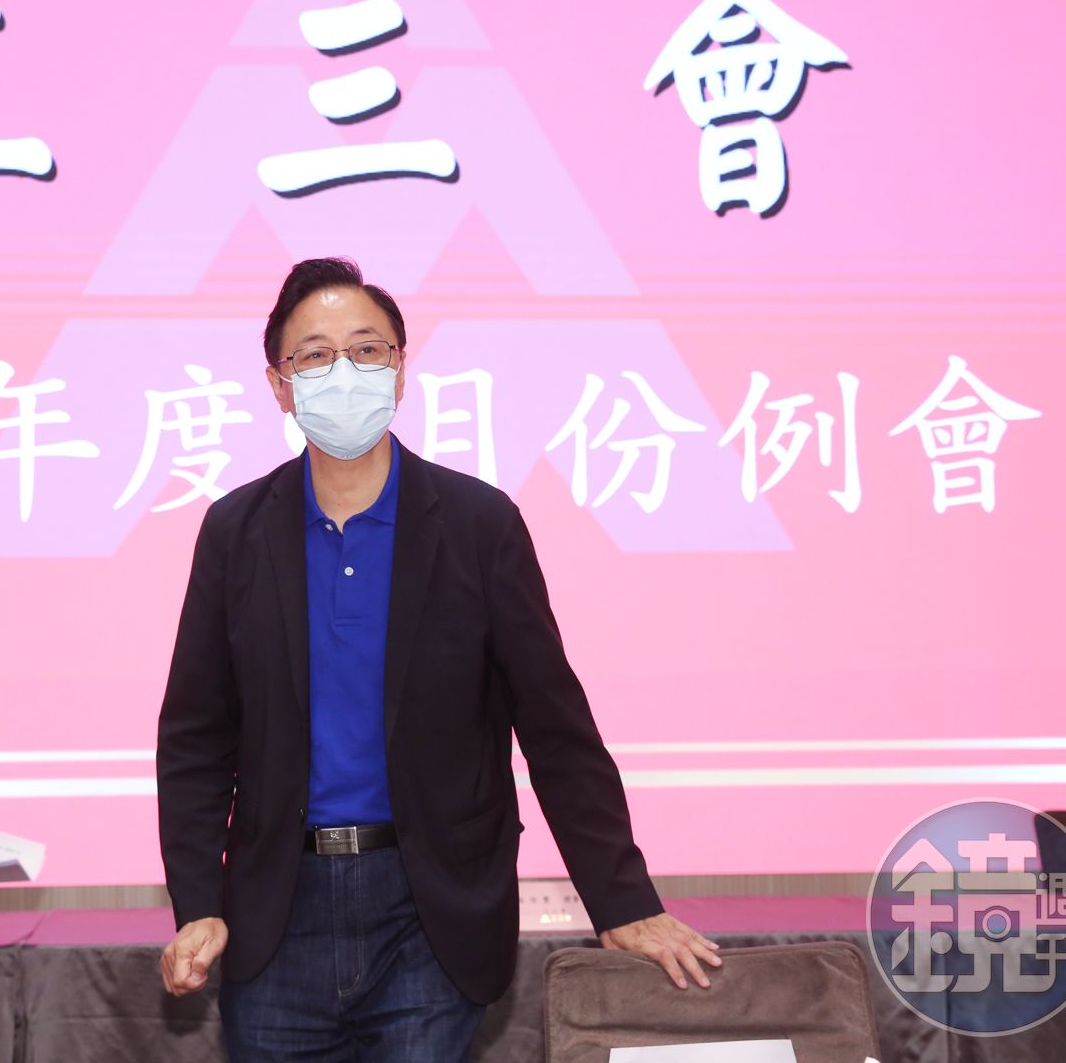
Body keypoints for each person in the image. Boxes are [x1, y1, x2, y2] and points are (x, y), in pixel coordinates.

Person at [157, 258, 723, 1061]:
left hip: (430, 910)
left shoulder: (477, 524)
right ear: (280, 386)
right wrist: (197, 903)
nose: (343, 372)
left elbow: (555, 727)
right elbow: (195, 739)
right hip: (277, 911)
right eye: (314, 356)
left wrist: (621, 898)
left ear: (399, 369)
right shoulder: (235, 531)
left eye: (366, 349)